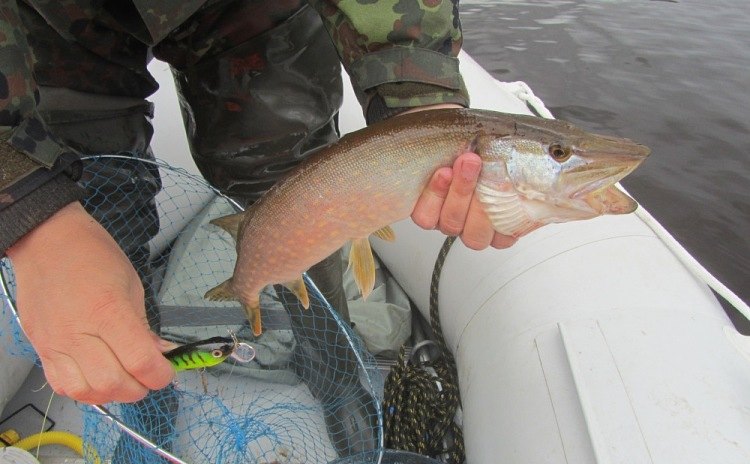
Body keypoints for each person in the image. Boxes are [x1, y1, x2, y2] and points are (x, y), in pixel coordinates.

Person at [0, 0, 517, 406]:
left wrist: (418, 95)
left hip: (239, 10)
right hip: (53, 21)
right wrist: (29, 209)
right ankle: (144, 382)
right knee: (97, 200)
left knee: (293, 174)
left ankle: (331, 367)